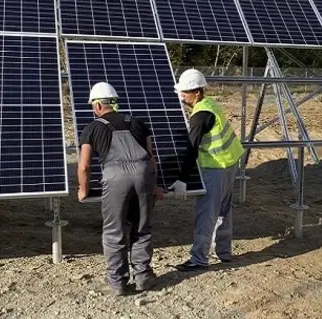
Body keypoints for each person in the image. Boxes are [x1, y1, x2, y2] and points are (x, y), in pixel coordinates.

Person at [77, 81, 166, 295]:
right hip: (144, 174)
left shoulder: (92, 128)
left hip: (115, 178)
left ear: (97, 106)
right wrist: (154, 185)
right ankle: (144, 277)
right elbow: (151, 158)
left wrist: (84, 189)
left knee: (114, 231)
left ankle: (117, 283)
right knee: (142, 227)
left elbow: (84, 165)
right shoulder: (137, 123)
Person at [167, 69, 245, 272]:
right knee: (223, 209)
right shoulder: (209, 104)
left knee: (207, 213)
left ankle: (199, 259)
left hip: (217, 167)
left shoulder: (200, 115)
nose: (181, 96)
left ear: (197, 93)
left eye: (185, 92)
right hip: (230, 162)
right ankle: (224, 252)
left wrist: (182, 179)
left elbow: (191, 148)